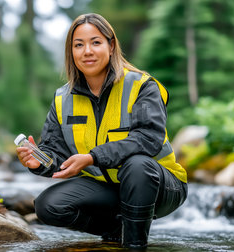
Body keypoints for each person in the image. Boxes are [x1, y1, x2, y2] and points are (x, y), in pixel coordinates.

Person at [16, 13, 187, 249]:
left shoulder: (142, 86)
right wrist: (39, 162)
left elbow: (147, 139)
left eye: (95, 42)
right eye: (79, 45)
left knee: (137, 165)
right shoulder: (62, 99)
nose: (87, 51)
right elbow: (56, 152)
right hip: (107, 189)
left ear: (111, 46)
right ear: (71, 52)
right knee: (48, 205)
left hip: (159, 185)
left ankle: (135, 245)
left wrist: (92, 157)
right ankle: (117, 231)